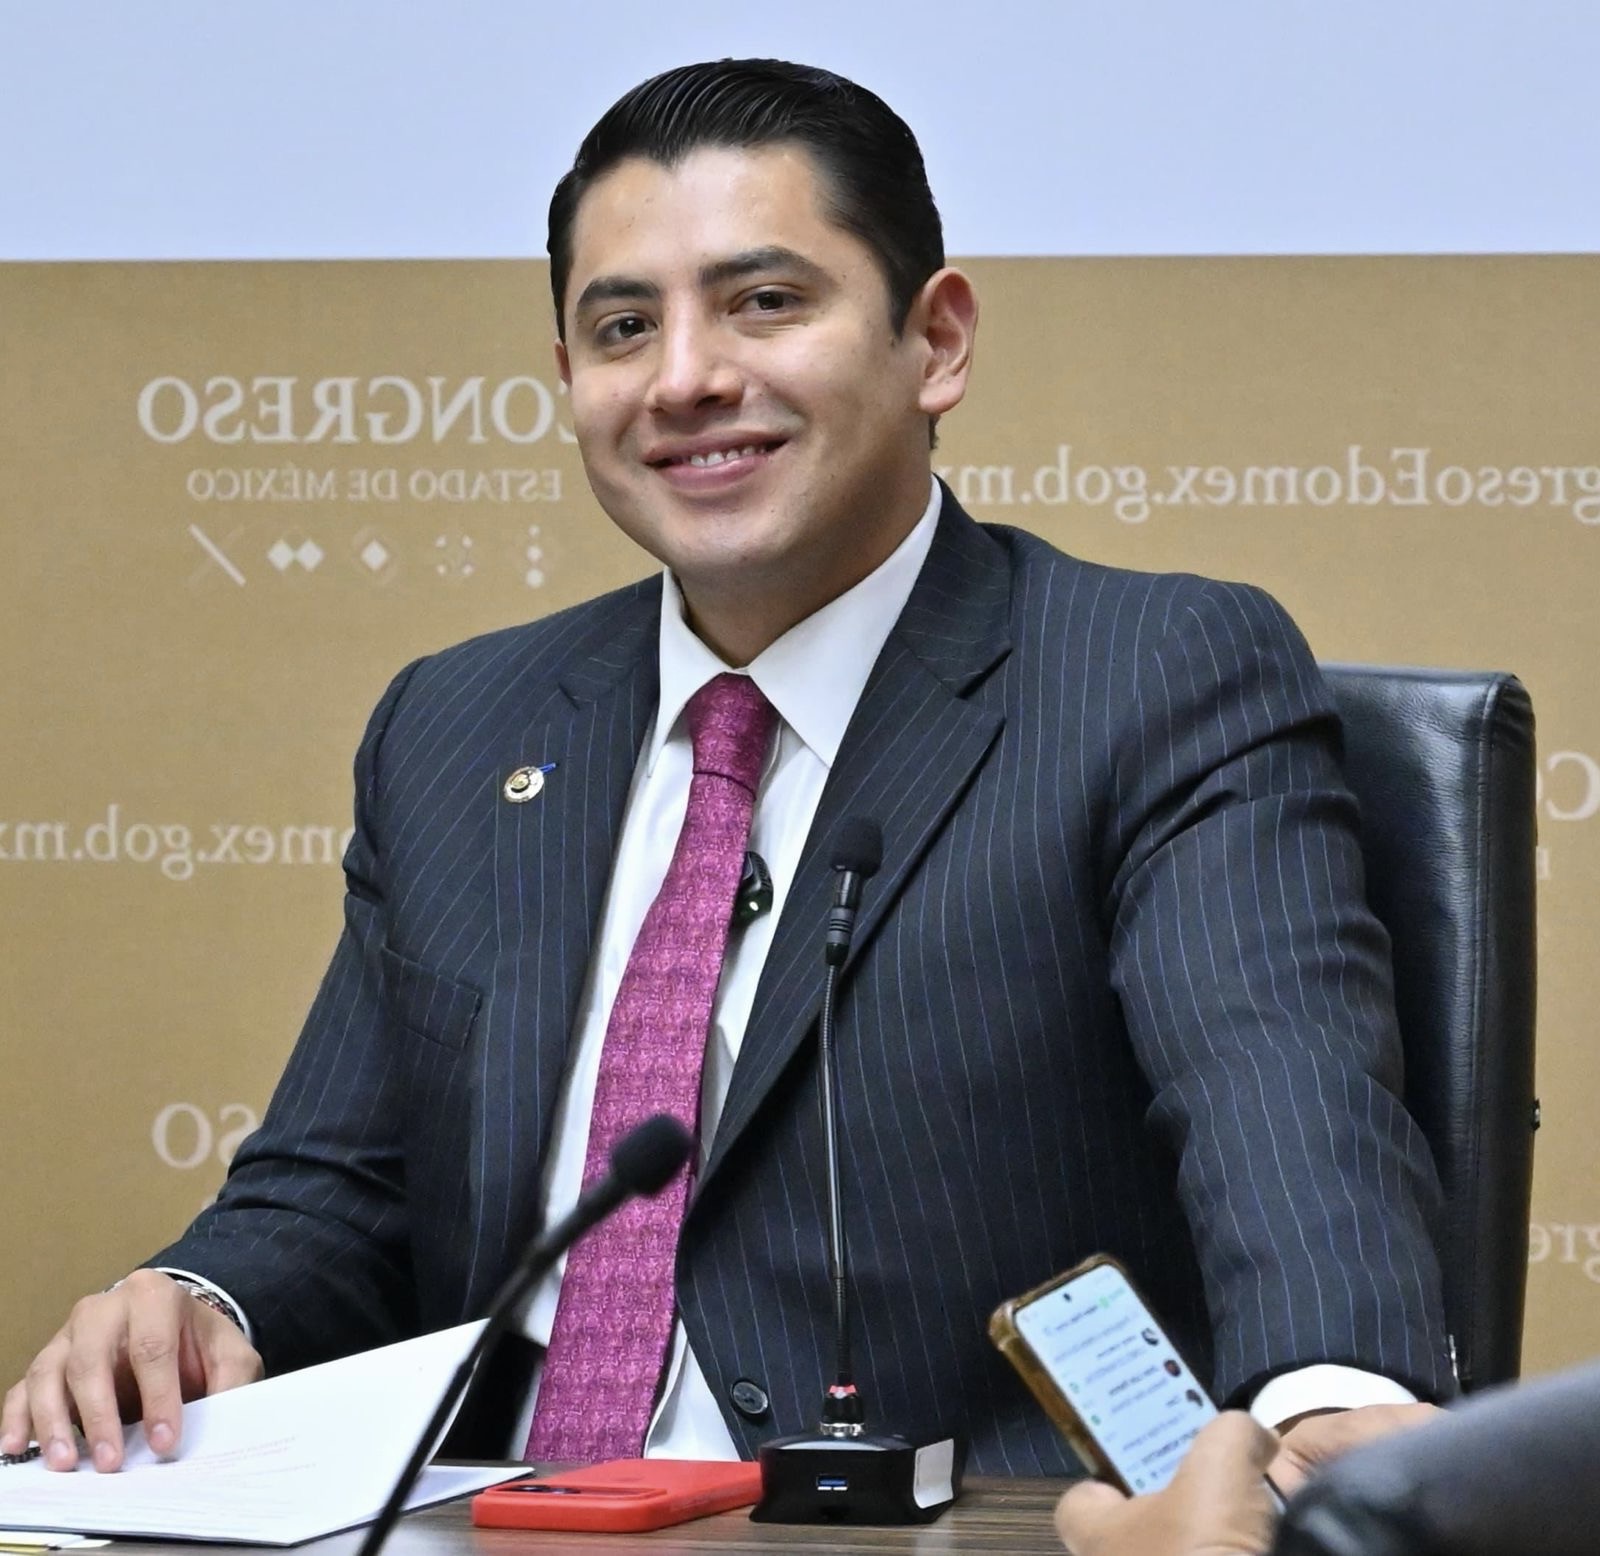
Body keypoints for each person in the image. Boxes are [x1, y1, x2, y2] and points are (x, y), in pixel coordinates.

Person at [3, 58, 1452, 1478]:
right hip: (498, 1524)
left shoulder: (1148, 674)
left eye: (766, 302)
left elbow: (1277, 1097)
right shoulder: (459, 724)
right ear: (570, 380)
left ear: (936, 341)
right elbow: (342, 1186)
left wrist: (1327, 1405)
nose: (686, 378)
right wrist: (202, 1302)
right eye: (624, 326)